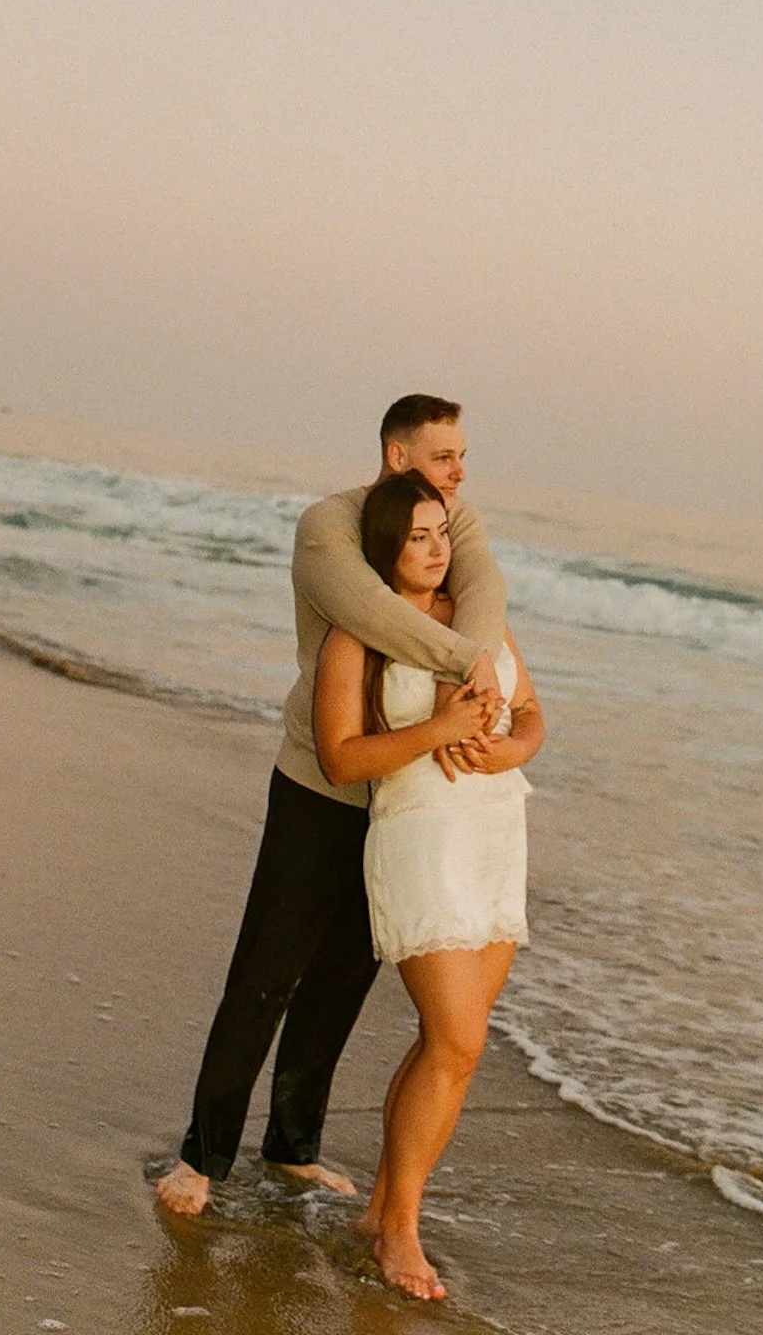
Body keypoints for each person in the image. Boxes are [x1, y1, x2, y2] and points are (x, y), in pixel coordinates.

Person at [156, 395, 507, 1216]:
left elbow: (485, 586)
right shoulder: (329, 526)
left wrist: (477, 670)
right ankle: (201, 1158)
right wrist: (468, 666)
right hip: (321, 785)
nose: (460, 473)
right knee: (265, 977)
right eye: (445, 456)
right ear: (397, 456)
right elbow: (374, 615)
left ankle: (292, 1147)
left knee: (342, 983)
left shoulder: (452, 518)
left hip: (402, 801)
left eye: (463, 457)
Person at [314, 473, 545, 1302]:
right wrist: (436, 730)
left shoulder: (478, 619)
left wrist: (513, 748)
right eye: (417, 536)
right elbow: (341, 758)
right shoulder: (360, 637)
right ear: (384, 548)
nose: (437, 548)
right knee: (456, 1040)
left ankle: (382, 1210)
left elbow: (532, 713)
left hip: (495, 832)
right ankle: (401, 1231)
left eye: (441, 532)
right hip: (420, 834)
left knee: (450, 1048)